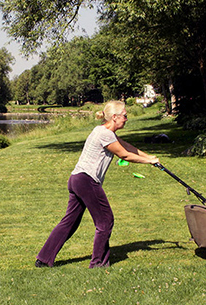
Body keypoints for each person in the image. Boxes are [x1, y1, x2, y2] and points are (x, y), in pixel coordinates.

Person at [35, 100, 159, 268]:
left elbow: (127, 147)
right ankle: (98, 263)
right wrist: (148, 161)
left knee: (69, 222)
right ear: (114, 117)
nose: (126, 118)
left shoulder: (102, 130)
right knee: (105, 221)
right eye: (124, 115)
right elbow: (125, 155)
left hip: (76, 179)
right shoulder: (105, 135)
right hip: (87, 180)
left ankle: (44, 259)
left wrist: (150, 158)